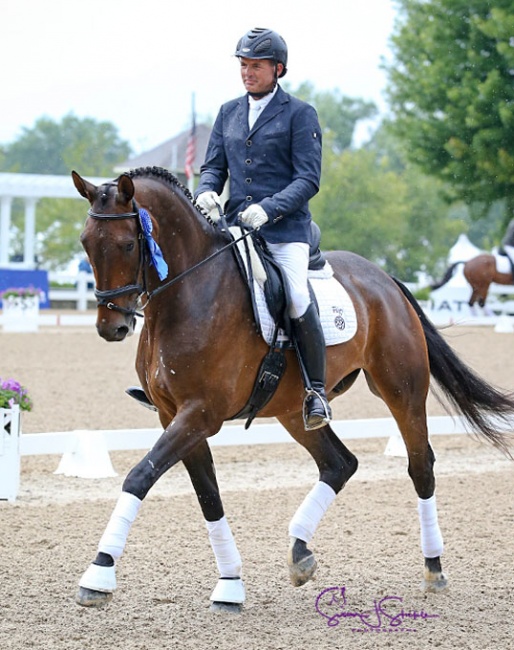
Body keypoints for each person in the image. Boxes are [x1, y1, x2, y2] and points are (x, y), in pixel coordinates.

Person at [194, 27, 331, 431]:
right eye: (243, 65)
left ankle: (316, 392)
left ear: (278, 69)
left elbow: (308, 179)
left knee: (294, 296)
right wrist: (205, 192)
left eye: (255, 66)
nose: (247, 72)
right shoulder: (228, 112)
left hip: (285, 231)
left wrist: (268, 209)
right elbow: (214, 166)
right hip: (236, 227)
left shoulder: (300, 113)